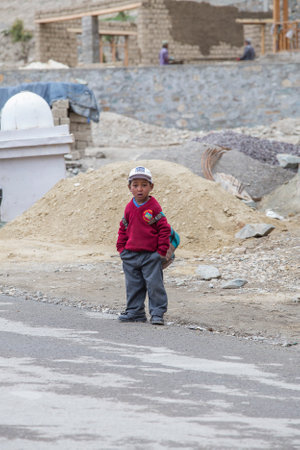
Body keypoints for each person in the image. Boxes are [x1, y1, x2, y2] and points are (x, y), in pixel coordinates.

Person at [116, 166, 171, 325]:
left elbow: (164, 229)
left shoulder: (154, 207)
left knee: (155, 285)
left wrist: (161, 251)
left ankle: (157, 313)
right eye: (135, 185)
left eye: (144, 185)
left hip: (150, 256)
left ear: (151, 187)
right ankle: (135, 312)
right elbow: (123, 226)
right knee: (133, 285)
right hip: (130, 255)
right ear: (129, 187)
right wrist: (121, 248)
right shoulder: (129, 207)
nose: (139, 189)